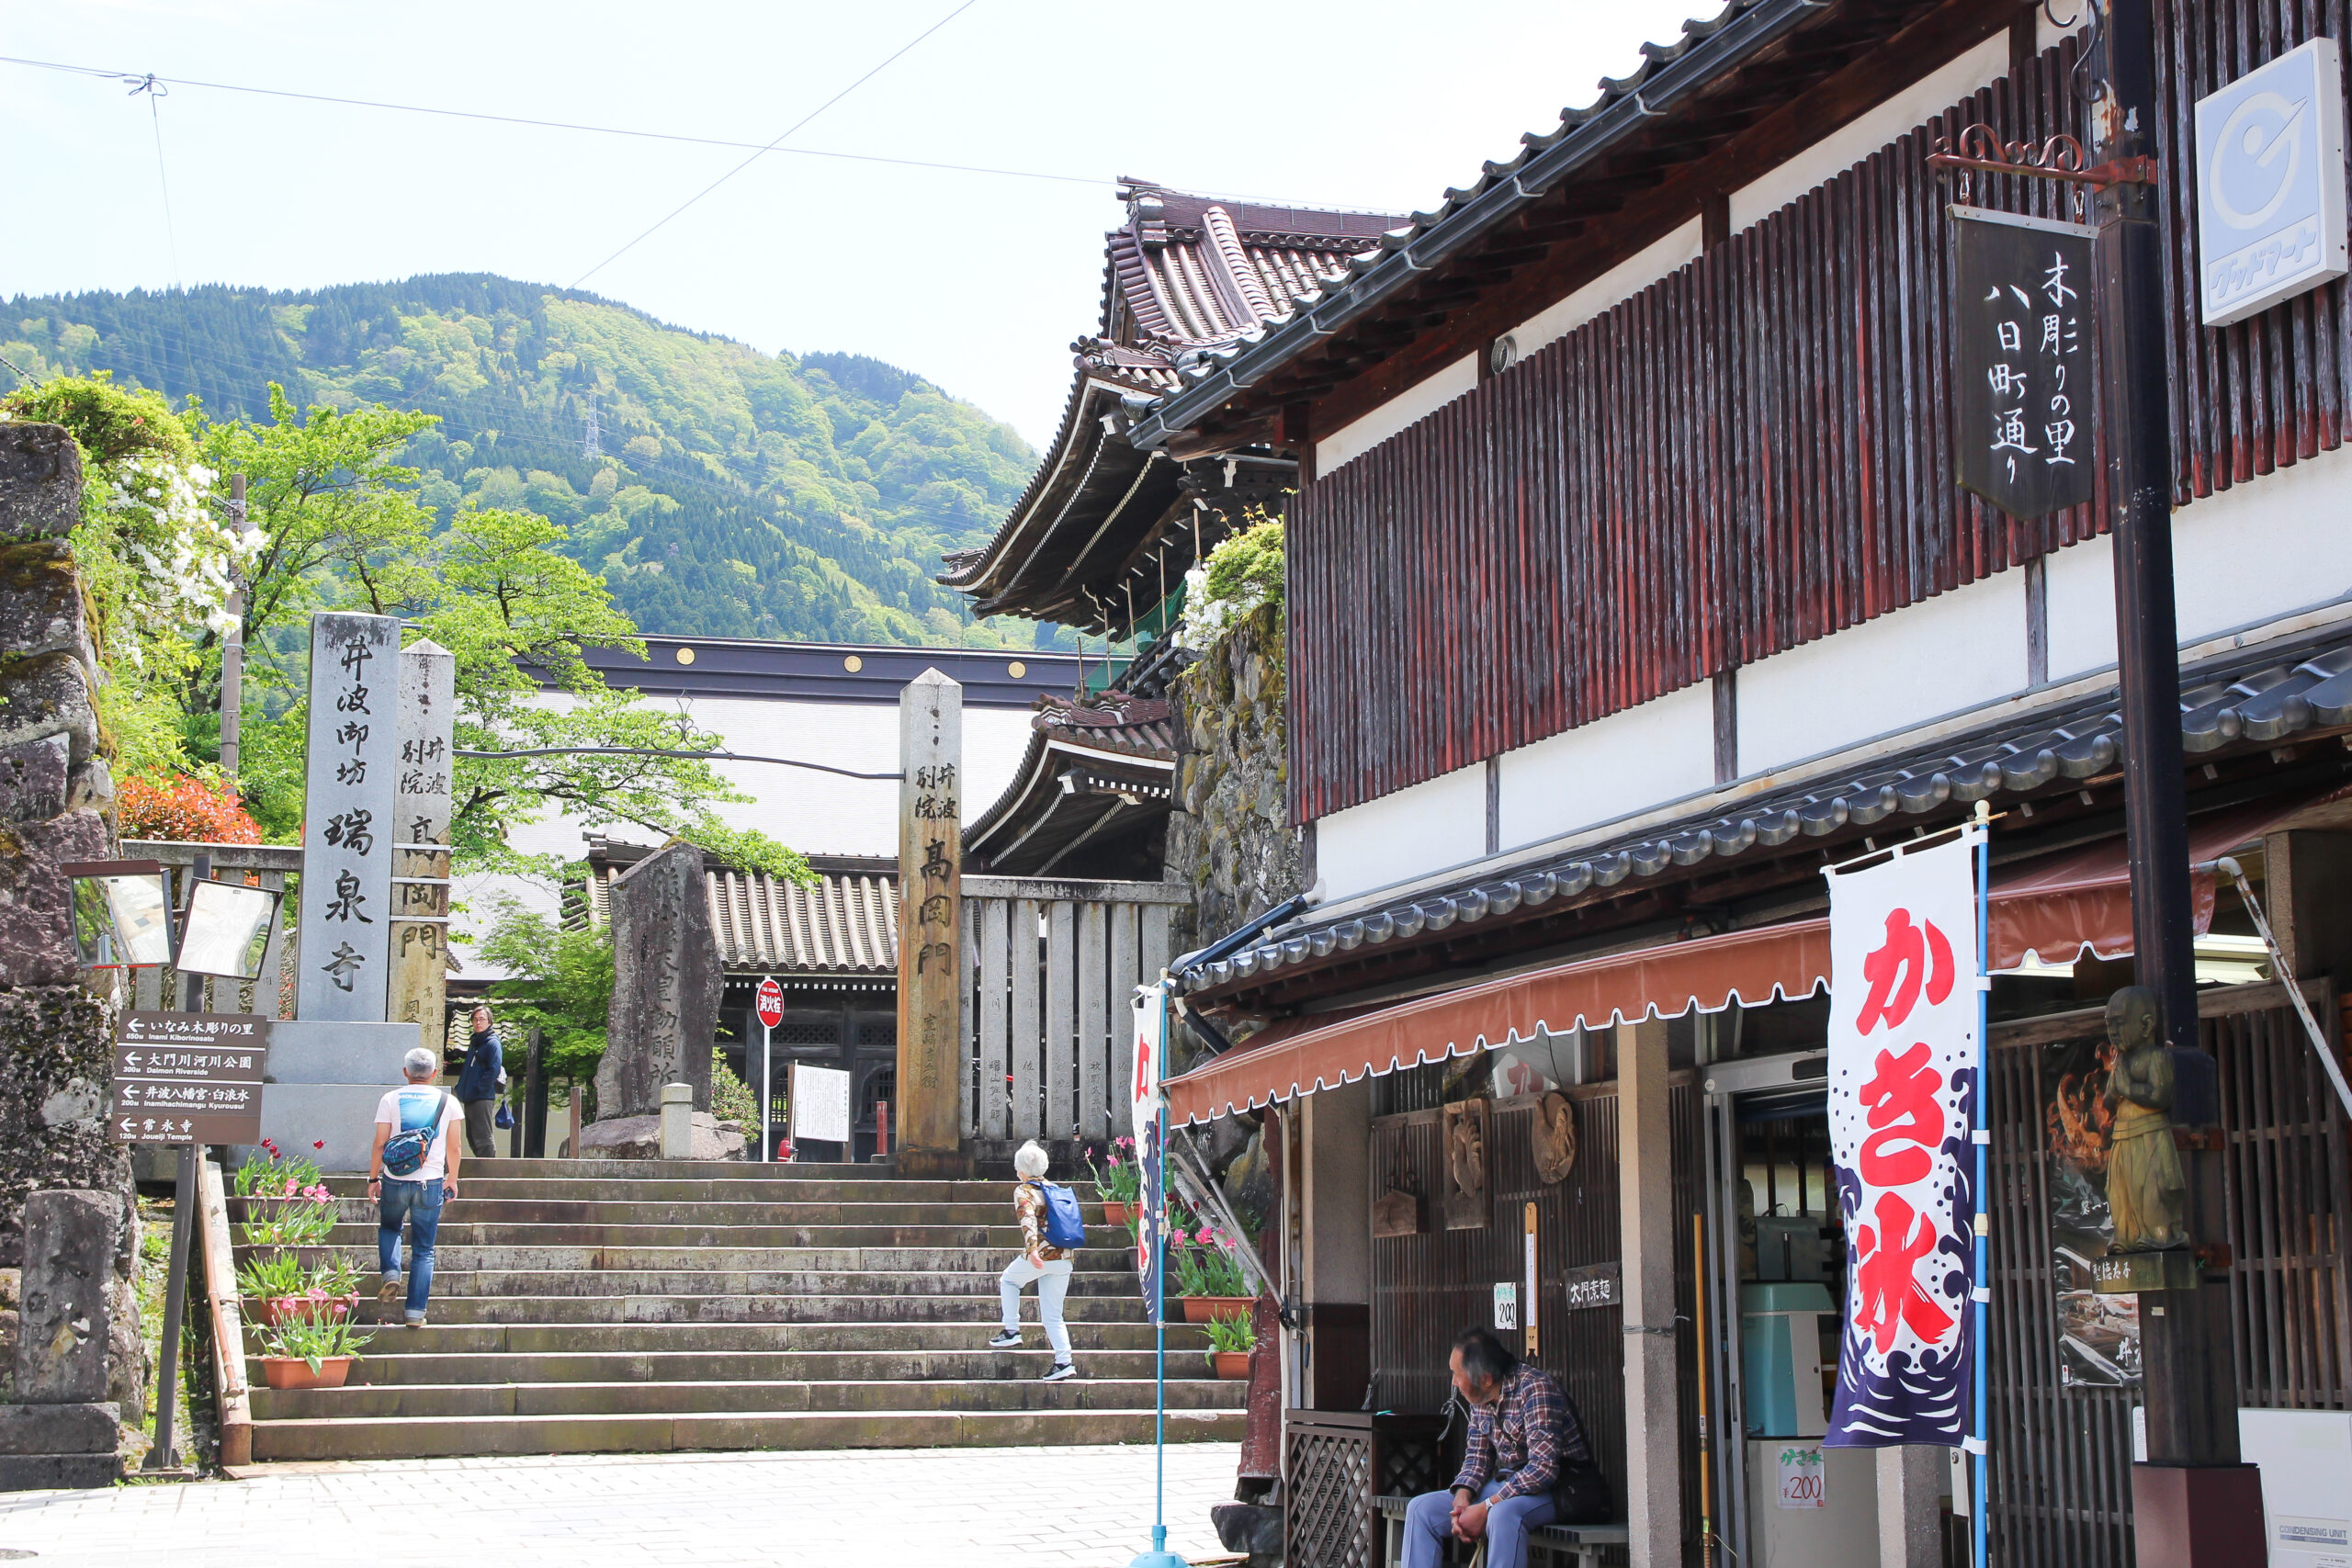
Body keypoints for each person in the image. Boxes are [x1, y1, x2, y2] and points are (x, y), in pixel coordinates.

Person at [1399, 1328, 1607, 1568]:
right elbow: (1476, 1458)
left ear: (1485, 1378)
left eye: (1457, 1374)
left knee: (1502, 1515)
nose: (1454, 1382)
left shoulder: (1535, 1389)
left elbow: (1543, 1469)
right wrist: (1462, 1499)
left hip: (1561, 1487)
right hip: (1508, 1484)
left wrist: (1488, 1506)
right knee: (1420, 1510)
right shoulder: (1480, 1397)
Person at [369, 1046, 464, 1327]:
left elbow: (379, 1144)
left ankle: (391, 1274)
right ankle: (415, 1314)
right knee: (424, 1248)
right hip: (430, 1181)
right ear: (435, 1074)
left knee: (390, 1228)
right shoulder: (449, 1102)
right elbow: (455, 1147)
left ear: (405, 1072)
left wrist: (374, 1178)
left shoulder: (390, 1098)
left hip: (395, 1180)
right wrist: (452, 1178)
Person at [989, 1140, 1078, 1382]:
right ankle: (1064, 1362)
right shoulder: (1056, 1189)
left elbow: (1027, 1219)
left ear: (1022, 1171)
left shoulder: (1024, 1191)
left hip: (1043, 1254)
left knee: (1008, 1280)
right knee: (1053, 1315)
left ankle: (1011, 1330)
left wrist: (1033, 1250)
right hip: (1065, 1257)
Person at [453, 1004, 506, 1160]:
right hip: (469, 1096)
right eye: (475, 1020)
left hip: (482, 1097)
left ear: (490, 1022)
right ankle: (481, 1168)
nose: (478, 1023)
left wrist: (479, 1088)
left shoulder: (492, 1042)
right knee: (472, 1136)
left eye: (482, 1019)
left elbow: (494, 1069)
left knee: (483, 1137)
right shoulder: (475, 1042)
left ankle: (488, 1171)